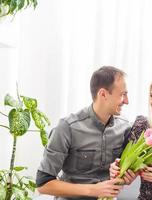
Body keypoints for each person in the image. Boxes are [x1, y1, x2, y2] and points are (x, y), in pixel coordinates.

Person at [36, 66, 136, 200]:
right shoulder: (67, 127)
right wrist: (93, 190)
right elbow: (43, 184)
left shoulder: (124, 127)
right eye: (123, 94)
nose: (127, 101)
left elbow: (122, 171)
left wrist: (127, 176)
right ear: (103, 94)